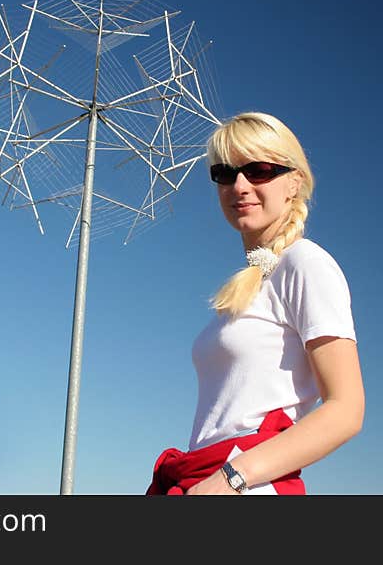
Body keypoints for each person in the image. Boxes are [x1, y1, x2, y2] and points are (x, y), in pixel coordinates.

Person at [146, 111, 364, 495]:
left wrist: (231, 478)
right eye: (225, 174)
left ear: (294, 182)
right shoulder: (249, 284)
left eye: (259, 170)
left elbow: (346, 410)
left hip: (245, 485)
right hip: (206, 480)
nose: (240, 186)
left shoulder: (305, 263)